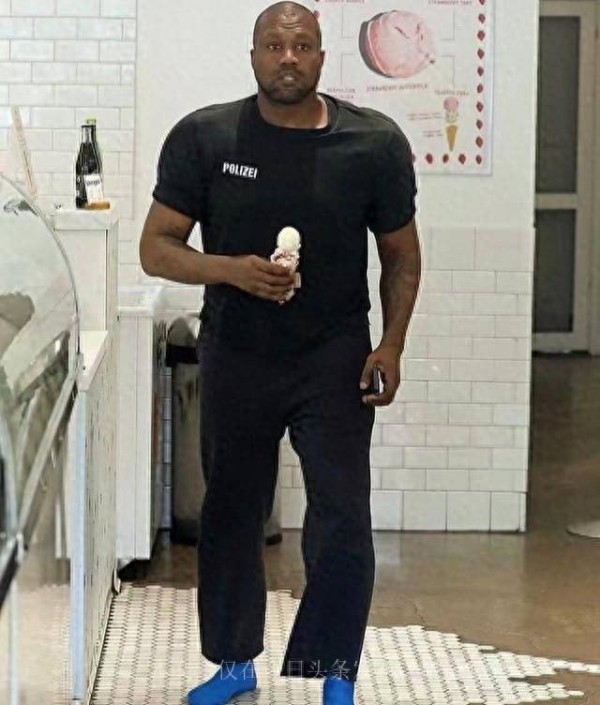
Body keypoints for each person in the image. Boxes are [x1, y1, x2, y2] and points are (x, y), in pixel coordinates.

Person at [139, 3, 421, 704]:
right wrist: (232, 271)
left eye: (301, 46)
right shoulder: (205, 137)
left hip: (335, 357)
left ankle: (335, 670)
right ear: (253, 56)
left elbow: (401, 257)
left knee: (342, 514)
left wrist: (390, 344)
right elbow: (157, 248)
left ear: (321, 57)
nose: (287, 57)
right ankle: (234, 662)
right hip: (237, 353)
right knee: (232, 512)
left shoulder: (373, 144)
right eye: (273, 45)